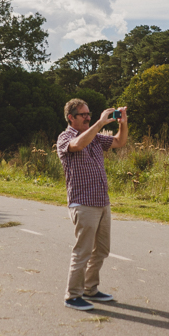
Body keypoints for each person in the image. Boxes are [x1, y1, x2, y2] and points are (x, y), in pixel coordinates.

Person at [56, 98, 128, 311]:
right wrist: (99, 123)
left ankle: (90, 289)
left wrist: (122, 123)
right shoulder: (65, 137)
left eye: (89, 113)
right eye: (83, 115)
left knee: (102, 250)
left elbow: (119, 142)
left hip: (102, 202)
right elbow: (78, 145)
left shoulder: (95, 138)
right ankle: (72, 296)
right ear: (71, 117)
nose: (88, 117)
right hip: (83, 204)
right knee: (83, 252)